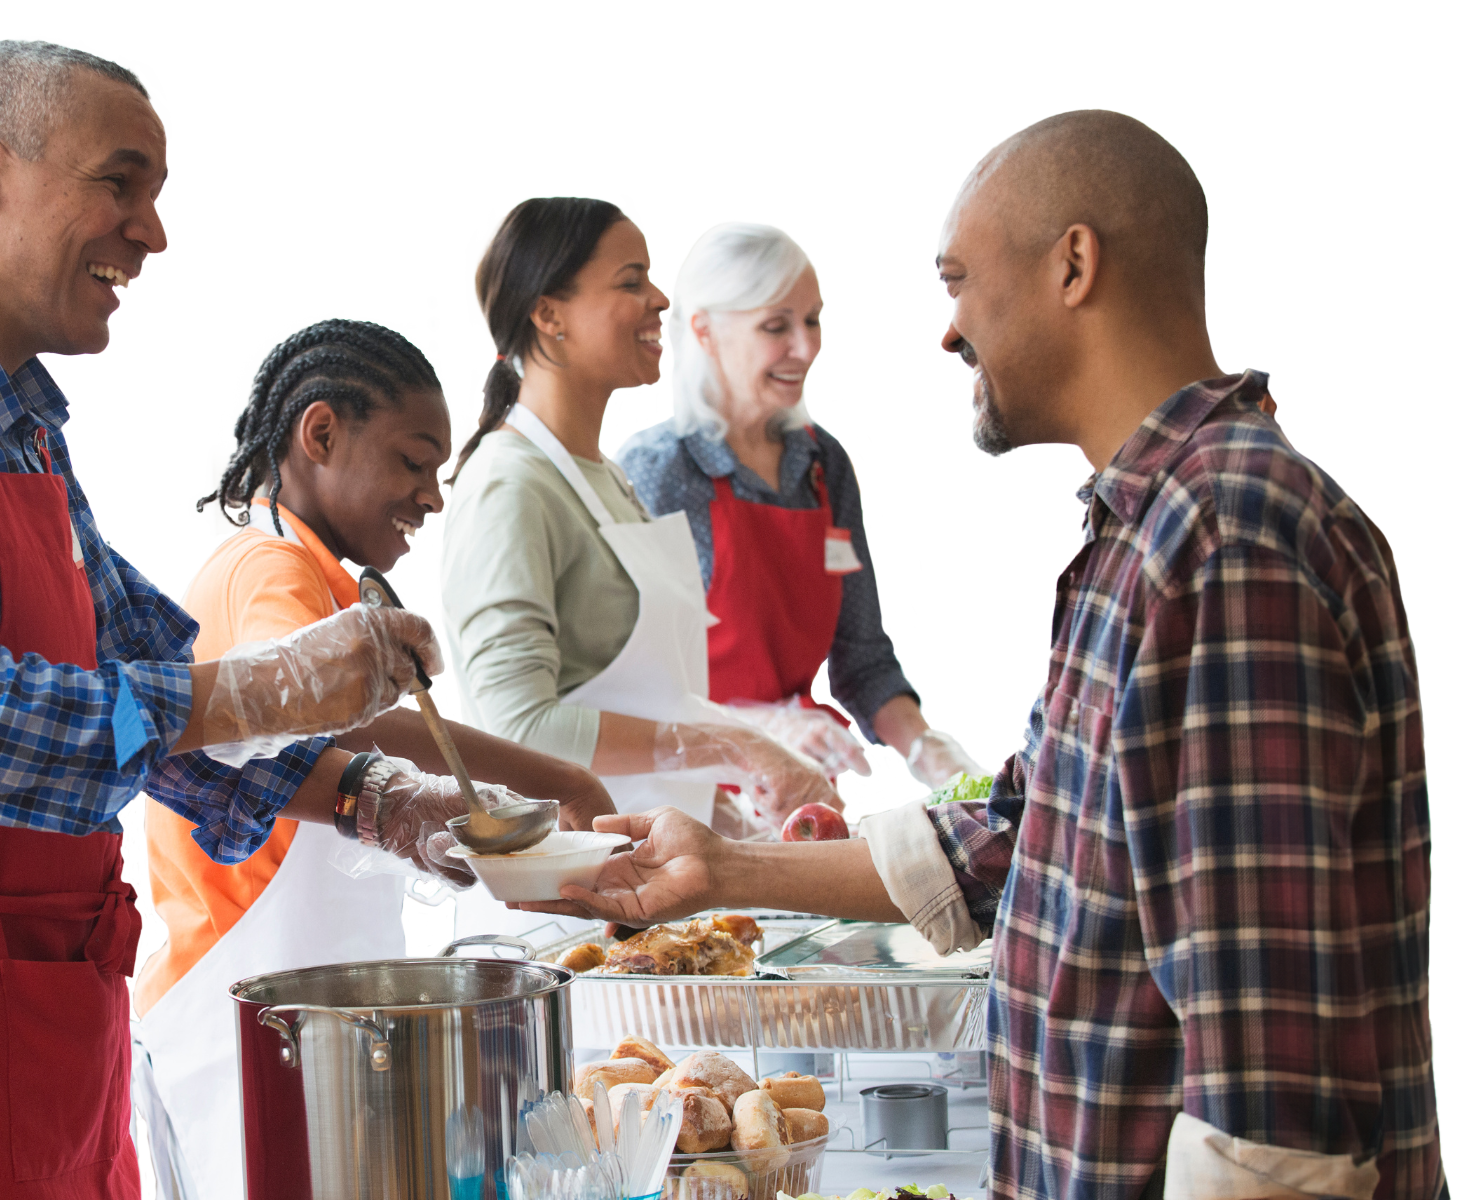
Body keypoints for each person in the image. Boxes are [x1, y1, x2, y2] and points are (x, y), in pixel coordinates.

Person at [526, 111, 1444, 1200]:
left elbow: (1270, 1083)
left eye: (958, 280)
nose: (950, 333)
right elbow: (1020, 835)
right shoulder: (1145, 525)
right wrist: (721, 870)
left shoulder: (1226, 535)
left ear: (1073, 264)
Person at [0, 42, 463, 1200]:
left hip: (20, 988)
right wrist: (275, 683)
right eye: (121, 182)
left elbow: (142, 674)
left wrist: (374, 801)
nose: (151, 233)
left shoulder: (18, 420)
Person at [132, 316, 616, 1200]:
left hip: (306, 1012)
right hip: (245, 1016)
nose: (432, 496)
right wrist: (556, 778)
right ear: (319, 434)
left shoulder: (315, 570)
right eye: (411, 461)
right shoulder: (268, 568)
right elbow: (327, 720)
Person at [438, 196, 841, 938]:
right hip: (560, 922)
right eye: (631, 281)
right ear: (549, 314)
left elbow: (653, 711)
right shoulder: (510, 483)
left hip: (640, 899)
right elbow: (517, 725)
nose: (660, 299)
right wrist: (735, 743)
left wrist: (735, 830)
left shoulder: (605, 478)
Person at [619, 222, 982, 791]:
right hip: (686, 791)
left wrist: (938, 759)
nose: (806, 347)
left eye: (812, 319)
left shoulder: (823, 465)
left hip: (805, 780)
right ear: (704, 331)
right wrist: (763, 725)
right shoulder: (656, 471)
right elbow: (631, 695)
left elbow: (862, 664)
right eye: (776, 326)